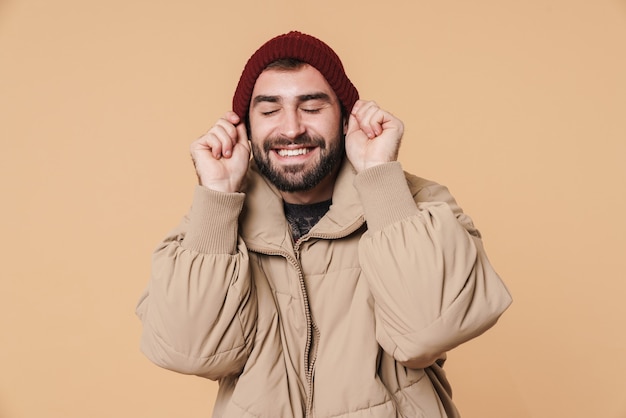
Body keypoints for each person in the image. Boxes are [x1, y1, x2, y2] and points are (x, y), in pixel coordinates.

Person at [136, 31, 512, 418]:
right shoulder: (214, 225)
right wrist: (216, 198)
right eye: (269, 111)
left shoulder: (416, 206)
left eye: (311, 107)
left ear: (346, 118)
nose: (291, 128)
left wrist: (380, 178)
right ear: (244, 129)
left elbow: (430, 330)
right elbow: (190, 351)